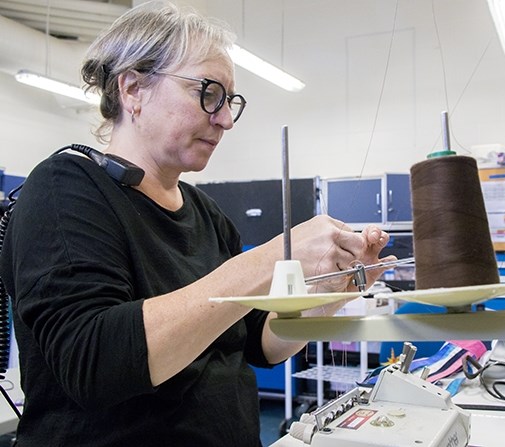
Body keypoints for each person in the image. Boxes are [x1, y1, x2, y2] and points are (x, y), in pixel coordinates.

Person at [0, 2, 394, 446]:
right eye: (208, 93)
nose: (225, 119)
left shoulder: (206, 213)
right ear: (133, 89)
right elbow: (94, 365)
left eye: (230, 102)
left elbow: (258, 344)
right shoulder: (64, 190)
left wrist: (327, 294)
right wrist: (273, 256)